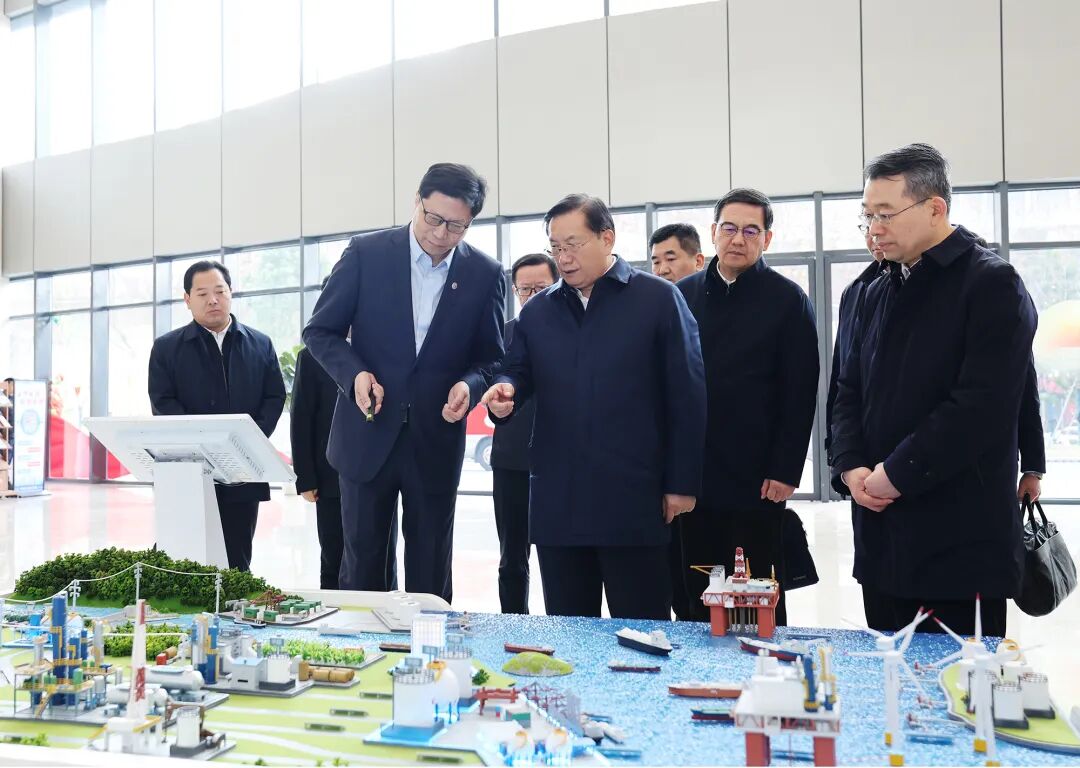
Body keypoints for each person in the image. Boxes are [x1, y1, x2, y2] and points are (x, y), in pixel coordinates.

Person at [830, 143, 1038, 636]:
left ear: (935, 208)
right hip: (880, 532)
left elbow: (980, 408)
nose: (874, 228)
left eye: (885, 214)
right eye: (867, 215)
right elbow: (847, 389)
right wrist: (851, 466)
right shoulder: (872, 289)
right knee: (886, 672)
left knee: (959, 679)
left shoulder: (992, 283)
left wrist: (896, 474)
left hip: (959, 541)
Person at [482, 193, 706, 620]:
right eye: (555, 247)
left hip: (633, 497)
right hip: (559, 500)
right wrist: (505, 391)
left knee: (641, 630)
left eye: (573, 244)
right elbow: (516, 371)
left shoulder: (658, 300)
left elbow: (688, 394)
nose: (563, 258)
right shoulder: (538, 312)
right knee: (569, 630)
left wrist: (681, 483)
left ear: (607, 238)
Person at [302, 163, 505, 602]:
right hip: (367, 432)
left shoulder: (485, 274)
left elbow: (491, 358)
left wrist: (469, 386)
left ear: (470, 222)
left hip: (436, 438)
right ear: (417, 201)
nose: (440, 234)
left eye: (456, 226)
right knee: (363, 569)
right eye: (433, 218)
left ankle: (429, 644)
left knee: (430, 570)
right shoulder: (366, 253)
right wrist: (355, 374)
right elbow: (320, 332)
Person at [676, 188, 819, 625]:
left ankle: (761, 660)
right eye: (729, 228)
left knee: (756, 591)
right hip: (694, 473)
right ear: (713, 232)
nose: (738, 239)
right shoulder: (682, 295)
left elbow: (800, 390)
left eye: (751, 231)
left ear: (767, 239)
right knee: (697, 590)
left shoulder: (787, 299)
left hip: (757, 476)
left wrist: (785, 469)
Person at [148, 260, 286, 571]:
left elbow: (274, 396)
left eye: (220, 291)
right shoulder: (167, 348)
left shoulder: (260, 344)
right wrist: (202, 446)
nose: (213, 300)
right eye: (202, 294)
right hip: (188, 472)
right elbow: (163, 403)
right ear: (187, 299)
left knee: (237, 560)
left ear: (231, 293)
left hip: (242, 471)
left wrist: (246, 441)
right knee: (182, 558)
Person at [290, 279, 400, 591]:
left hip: (379, 471)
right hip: (329, 476)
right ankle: (334, 616)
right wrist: (305, 478)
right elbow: (302, 418)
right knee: (334, 555)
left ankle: (384, 613)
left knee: (383, 555)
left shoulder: (384, 352)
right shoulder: (312, 357)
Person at [489, 253, 558, 614]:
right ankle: (513, 624)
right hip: (511, 460)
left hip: (560, 461)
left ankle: (563, 630)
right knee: (512, 557)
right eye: (525, 289)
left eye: (541, 288)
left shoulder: (572, 330)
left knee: (560, 559)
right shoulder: (502, 335)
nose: (532, 296)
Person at [648, 222, 706, 621]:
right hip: (662, 468)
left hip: (714, 467)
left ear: (698, 260)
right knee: (667, 577)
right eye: (655, 261)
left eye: (671, 258)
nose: (662, 268)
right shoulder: (651, 311)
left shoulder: (705, 304)